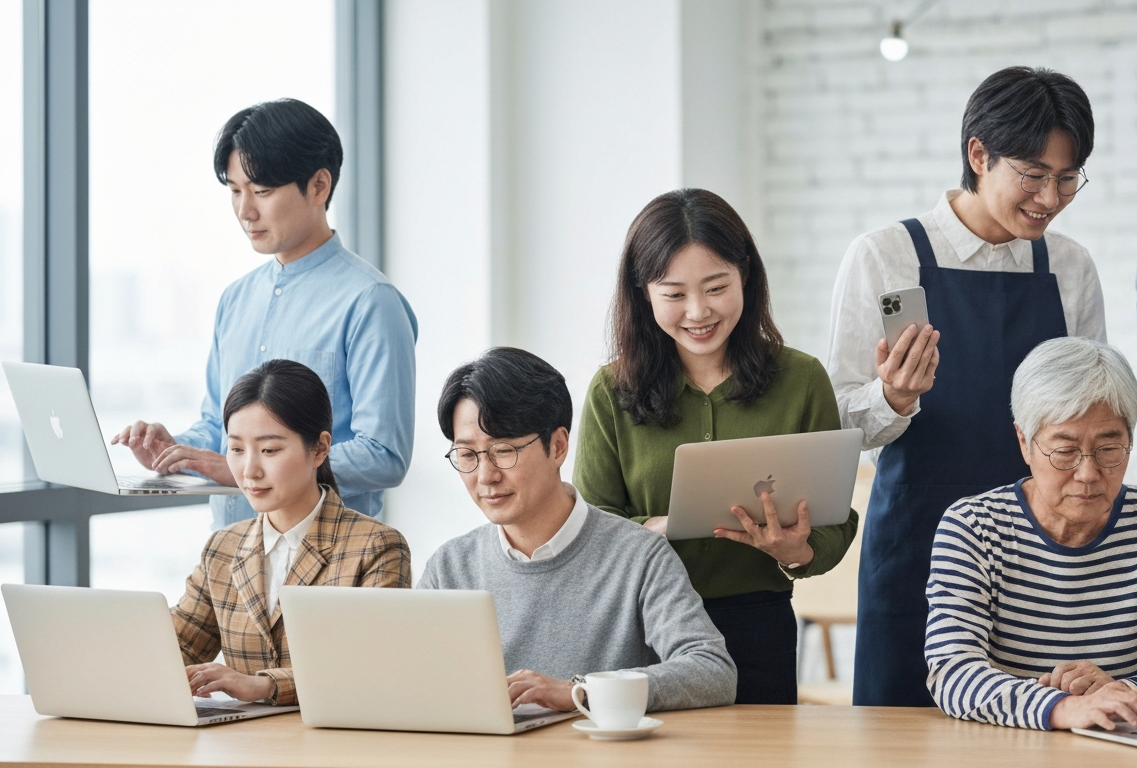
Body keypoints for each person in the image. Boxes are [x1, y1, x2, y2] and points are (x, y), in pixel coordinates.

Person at [831, 67, 1107, 707]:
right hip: (916, 554)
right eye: (1033, 175)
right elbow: (840, 426)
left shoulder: (1068, 268)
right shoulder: (885, 256)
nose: (1050, 197)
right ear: (978, 154)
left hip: (1042, 565)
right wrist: (894, 398)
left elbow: (1095, 417)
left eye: (1068, 179)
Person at [573, 188, 859, 705]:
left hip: (758, 622)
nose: (698, 311)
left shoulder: (800, 379)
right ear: (644, 294)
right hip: (641, 626)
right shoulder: (609, 392)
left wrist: (799, 551)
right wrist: (651, 530)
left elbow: (835, 521)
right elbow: (591, 525)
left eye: (716, 287)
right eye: (674, 293)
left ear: (745, 276)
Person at [111, 98, 418, 527]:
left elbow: (383, 455)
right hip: (232, 558)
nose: (245, 211)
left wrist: (247, 469)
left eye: (262, 191)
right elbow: (216, 426)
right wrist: (177, 449)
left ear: (319, 186)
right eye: (235, 191)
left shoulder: (370, 301)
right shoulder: (235, 299)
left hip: (326, 566)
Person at [926, 337, 1137, 730]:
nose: (1088, 474)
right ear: (1024, 443)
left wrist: (1124, 694)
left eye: (1108, 449)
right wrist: (1063, 708)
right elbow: (952, 671)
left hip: (1121, 748)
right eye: (1065, 451)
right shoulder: (972, 527)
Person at [418, 347, 737, 713]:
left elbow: (713, 670)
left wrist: (582, 691)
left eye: (503, 451)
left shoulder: (639, 556)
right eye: (468, 455)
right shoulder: (449, 567)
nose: (486, 476)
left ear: (557, 446)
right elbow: (408, 675)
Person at [172, 359, 412, 705]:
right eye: (237, 449)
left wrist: (266, 686)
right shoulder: (223, 547)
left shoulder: (377, 547)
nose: (249, 470)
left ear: (320, 448)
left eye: (269, 450)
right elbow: (180, 645)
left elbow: (371, 666)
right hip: (245, 750)